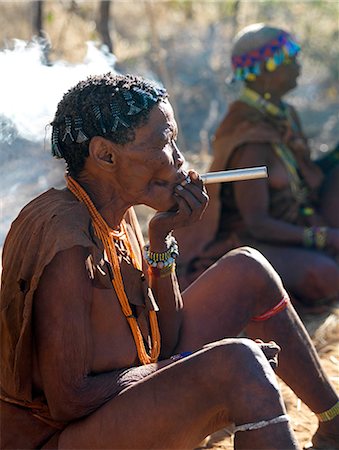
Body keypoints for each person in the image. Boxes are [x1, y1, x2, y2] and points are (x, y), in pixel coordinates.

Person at [0, 73, 338, 450]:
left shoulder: (116, 211)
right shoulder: (66, 243)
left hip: (116, 403)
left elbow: (164, 339)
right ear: (105, 155)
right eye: (164, 142)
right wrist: (197, 364)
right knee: (238, 362)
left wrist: (162, 239)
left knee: (248, 269)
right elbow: (69, 400)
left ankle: (334, 424)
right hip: (59, 437)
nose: (180, 159)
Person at [177, 23, 339, 311]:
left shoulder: (284, 114)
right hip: (252, 240)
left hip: (295, 223)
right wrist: (321, 237)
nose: (298, 65)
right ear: (265, 70)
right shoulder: (249, 136)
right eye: (288, 58)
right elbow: (257, 223)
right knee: (327, 275)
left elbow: (305, 178)